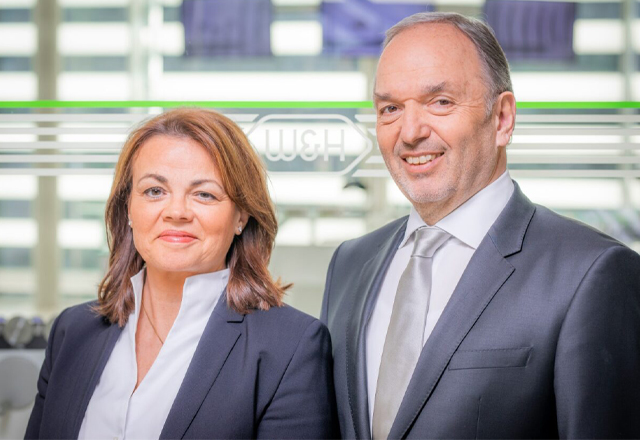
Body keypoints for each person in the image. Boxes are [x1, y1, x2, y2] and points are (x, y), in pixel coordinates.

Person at [321, 11, 640, 440]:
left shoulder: (590, 273)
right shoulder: (349, 263)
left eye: (440, 102)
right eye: (390, 108)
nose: (410, 132)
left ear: (502, 118)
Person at [26, 108, 338, 439]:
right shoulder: (72, 332)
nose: (176, 212)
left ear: (241, 216)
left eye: (204, 194)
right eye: (154, 191)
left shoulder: (291, 347)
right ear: (128, 208)